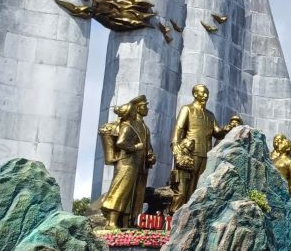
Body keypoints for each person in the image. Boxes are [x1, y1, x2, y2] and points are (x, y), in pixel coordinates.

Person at [168, 84, 241, 213]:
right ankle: (175, 216)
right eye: (202, 93)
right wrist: (176, 149)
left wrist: (228, 128)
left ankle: (192, 216)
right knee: (183, 188)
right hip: (190, 154)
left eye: (207, 93)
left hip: (205, 155)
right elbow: (178, 130)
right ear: (195, 94)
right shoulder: (187, 109)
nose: (206, 96)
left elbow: (217, 132)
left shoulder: (210, 115)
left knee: (199, 188)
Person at [96, 95, 155, 229]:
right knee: (120, 191)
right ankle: (111, 222)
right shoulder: (129, 125)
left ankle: (128, 222)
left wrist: (150, 155)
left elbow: (147, 146)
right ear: (137, 109)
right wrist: (135, 147)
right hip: (127, 163)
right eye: (145, 106)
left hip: (139, 165)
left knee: (132, 196)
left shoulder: (145, 128)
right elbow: (121, 142)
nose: (147, 108)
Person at [270, 133, 291, 223]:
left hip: (284, 193)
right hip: (271, 191)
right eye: (275, 141)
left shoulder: (290, 160)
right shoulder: (273, 160)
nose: (278, 143)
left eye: (281, 142)